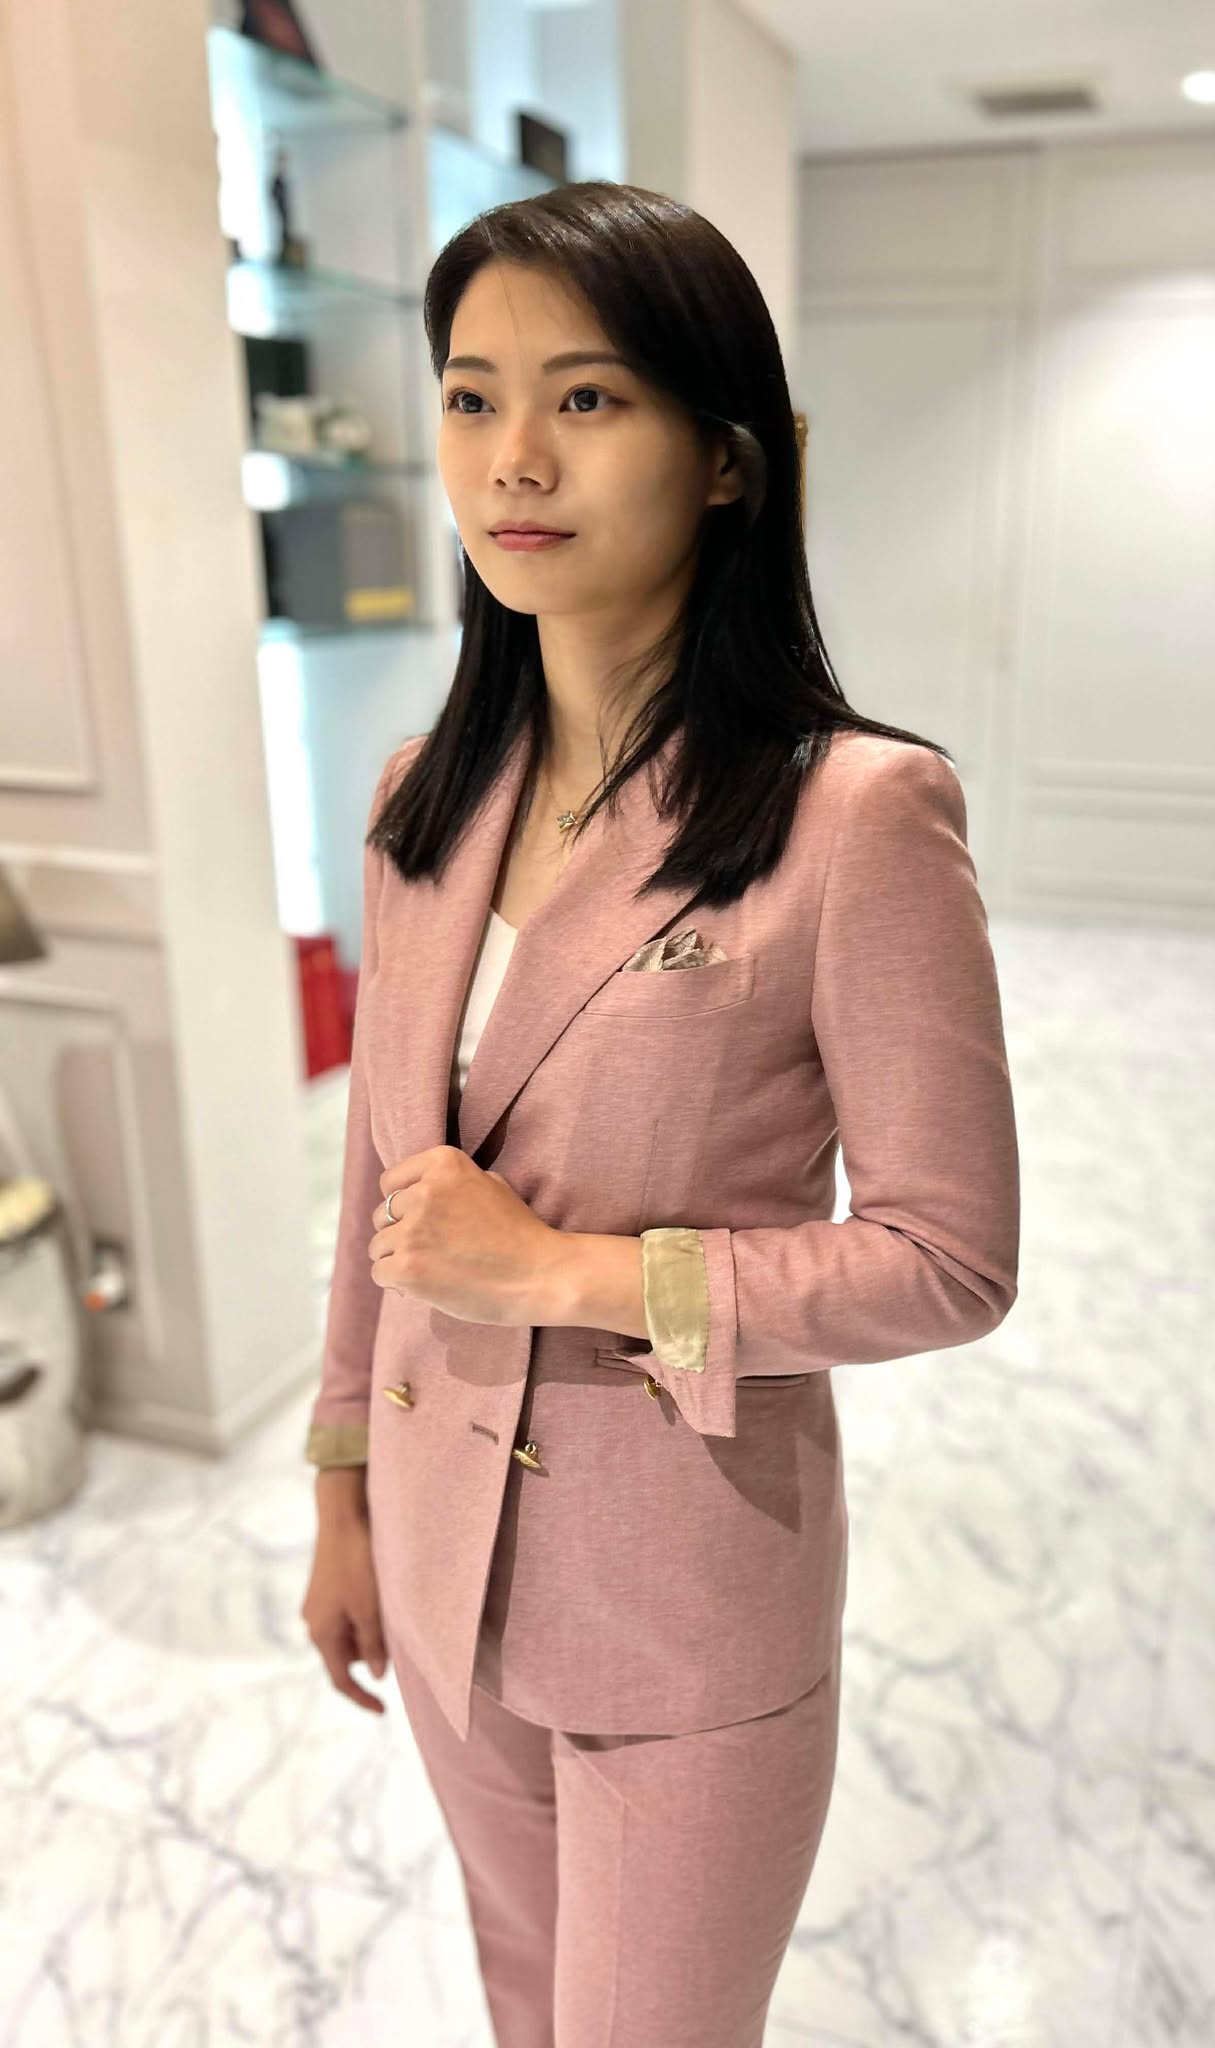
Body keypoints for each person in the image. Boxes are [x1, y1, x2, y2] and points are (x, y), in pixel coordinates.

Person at [299, 180, 1020, 2048]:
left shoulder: (855, 816)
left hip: (683, 1610)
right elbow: (384, 1184)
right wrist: (343, 1492)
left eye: (588, 398)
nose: (513, 459)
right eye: (472, 398)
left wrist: (568, 1274)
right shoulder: (422, 796)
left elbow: (949, 1259)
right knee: (521, 2002)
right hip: (443, 1564)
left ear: (726, 460)